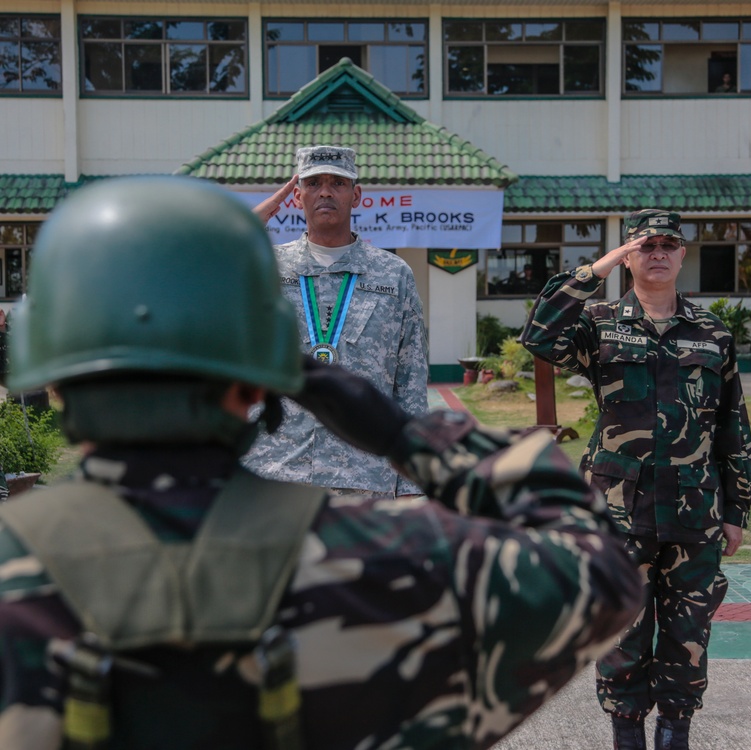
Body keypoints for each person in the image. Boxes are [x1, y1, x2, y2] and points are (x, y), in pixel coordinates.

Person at [0, 175, 643, 750]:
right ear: (263, 372)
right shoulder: (392, 561)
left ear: (49, 374)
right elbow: (604, 573)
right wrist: (406, 435)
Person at [521, 209, 751, 750]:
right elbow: (539, 334)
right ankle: (626, 736)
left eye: (668, 244)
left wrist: (737, 508)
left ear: (681, 253)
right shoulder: (600, 322)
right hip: (617, 514)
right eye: (644, 244)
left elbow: (732, 425)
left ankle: (675, 734)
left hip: (694, 513)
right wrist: (595, 270)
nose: (657, 253)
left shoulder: (711, 332)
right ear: (627, 254)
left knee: (689, 635)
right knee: (621, 637)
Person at [246, 145, 428, 497]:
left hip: (366, 474)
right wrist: (245, 229)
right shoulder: (263, 268)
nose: (325, 192)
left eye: (338, 183)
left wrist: (411, 480)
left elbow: (411, 381)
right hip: (276, 471)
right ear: (296, 197)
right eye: (313, 183)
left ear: (356, 195)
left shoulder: (393, 274)